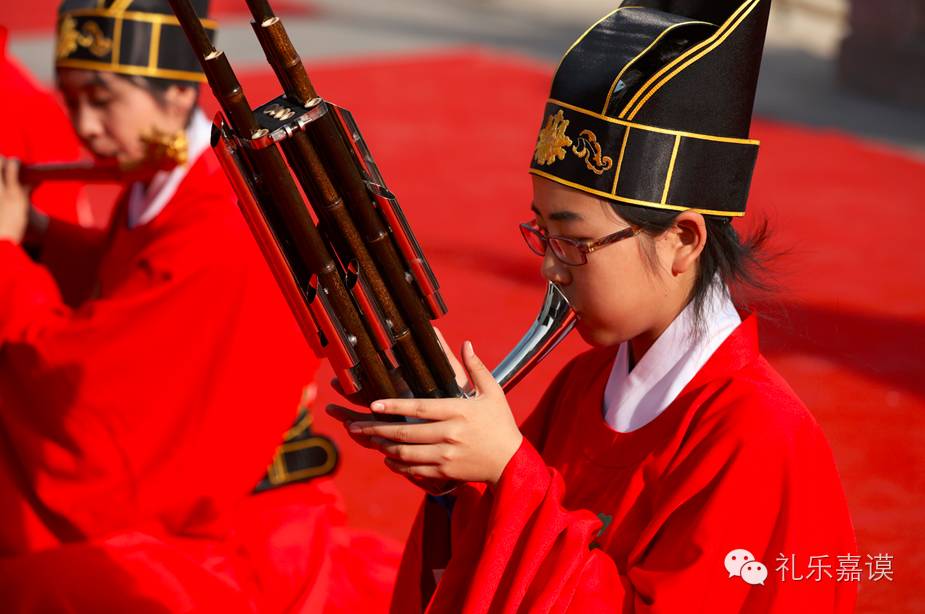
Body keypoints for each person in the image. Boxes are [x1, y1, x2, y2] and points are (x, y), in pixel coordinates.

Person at [327, 0, 858, 611]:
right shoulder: (583, 386)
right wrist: (458, 478)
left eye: (575, 242)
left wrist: (508, 473)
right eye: (542, 234)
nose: (550, 267)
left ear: (683, 239)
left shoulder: (760, 436)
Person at [0, 1, 396, 610]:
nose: (84, 125)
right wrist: (41, 234)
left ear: (177, 96)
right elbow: (135, 291)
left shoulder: (221, 218)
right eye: (72, 99)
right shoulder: (175, 181)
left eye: (102, 99)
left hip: (239, 537)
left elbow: (88, 394)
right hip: (217, 489)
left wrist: (3, 253)